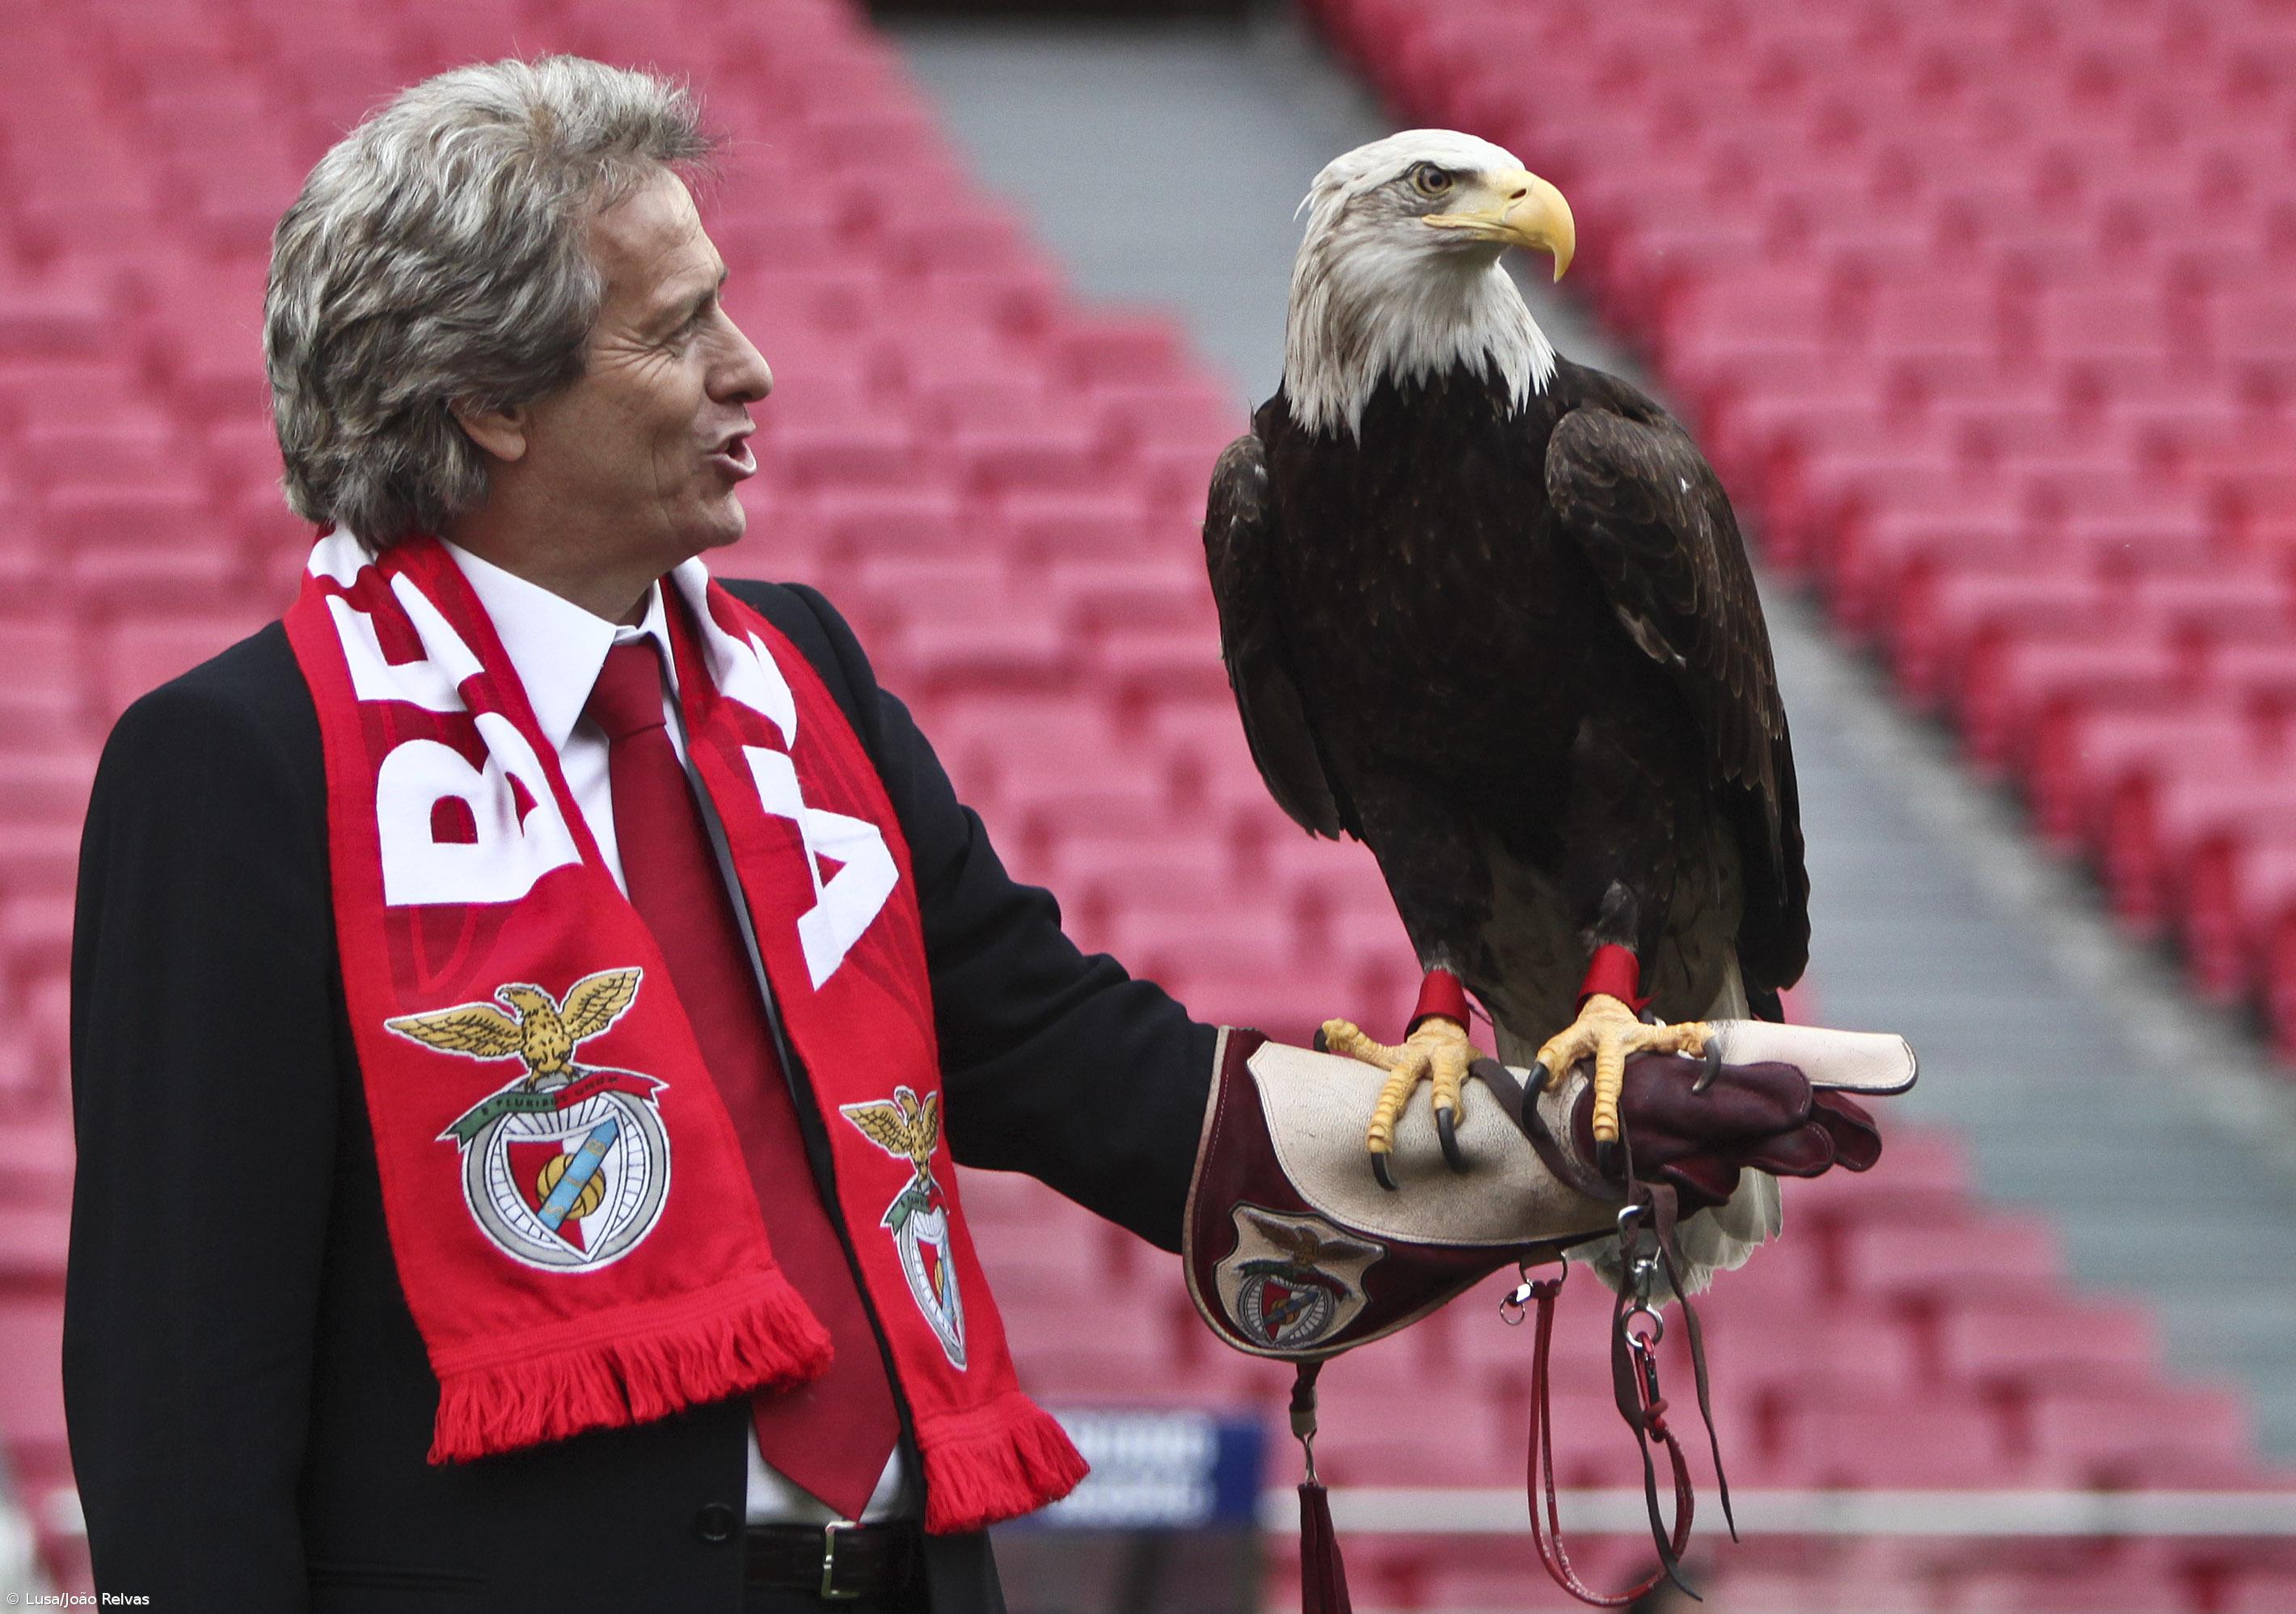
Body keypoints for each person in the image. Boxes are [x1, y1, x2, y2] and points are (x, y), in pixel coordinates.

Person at [64, 54, 1872, 1614]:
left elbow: (1074, 1064)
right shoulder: (240, 764)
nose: (752, 367)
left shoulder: (799, 687)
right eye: (680, 329)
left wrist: (1567, 1136)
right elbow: (179, 1377)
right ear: (489, 401)